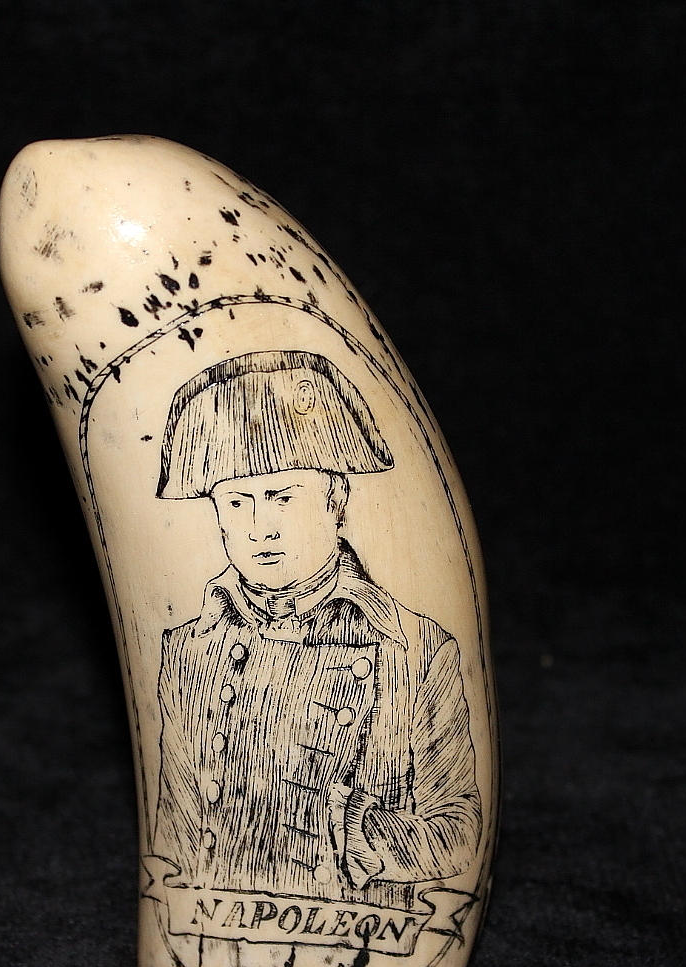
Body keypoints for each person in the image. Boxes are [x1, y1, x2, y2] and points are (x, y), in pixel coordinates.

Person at [153, 350, 481, 912]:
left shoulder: (416, 649)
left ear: (336, 501)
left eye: (283, 497)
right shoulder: (189, 649)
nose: (260, 528)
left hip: (358, 930)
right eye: (237, 502)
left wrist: (360, 834)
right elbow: (174, 831)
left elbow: (459, 831)